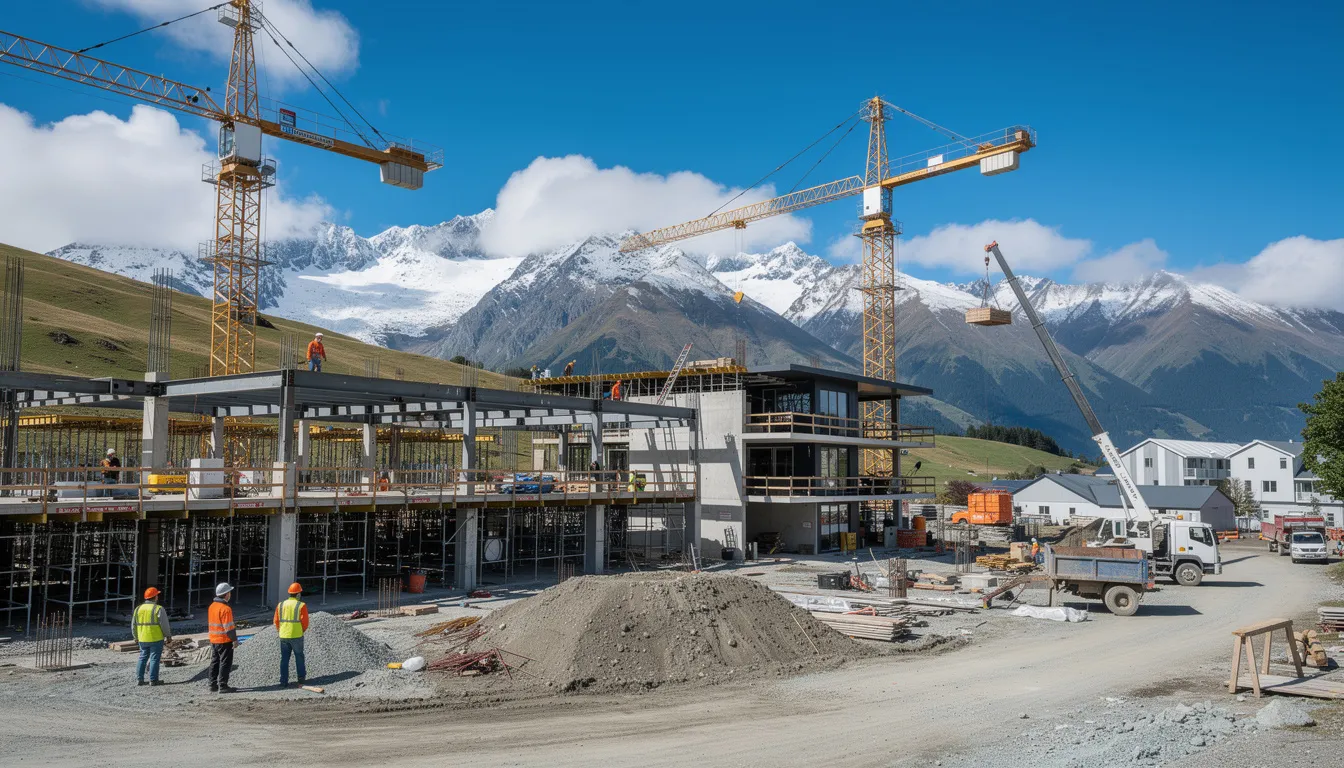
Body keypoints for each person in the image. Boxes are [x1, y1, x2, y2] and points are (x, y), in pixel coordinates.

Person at [133, 587, 172, 687]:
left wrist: (135, 636)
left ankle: (139, 679)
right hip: (156, 638)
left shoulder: (138, 609)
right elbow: (164, 624)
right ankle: (153, 680)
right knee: (154, 658)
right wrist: (168, 636)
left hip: (142, 638)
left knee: (142, 658)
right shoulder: (158, 608)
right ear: (155, 597)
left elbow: (133, 624)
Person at [274, 582, 310, 687]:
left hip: (283, 636)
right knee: (299, 657)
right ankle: (301, 679)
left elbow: (276, 621)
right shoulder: (301, 605)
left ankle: (283, 681)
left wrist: (281, 630)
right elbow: (305, 623)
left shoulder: (280, 605)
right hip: (296, 635)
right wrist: (301, 630)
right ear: (298, 594)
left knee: (284, 659)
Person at [208, 582, 238, 693]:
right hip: (224, 640)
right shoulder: (226, 609)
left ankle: (212, 685)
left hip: (214, 640)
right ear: (226, 594)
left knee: (215, 662)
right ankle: (223, 685)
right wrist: (234, 639)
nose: (230, 594)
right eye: (229, 592)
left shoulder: (212, 607)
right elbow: (229, 627)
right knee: (225, 663)